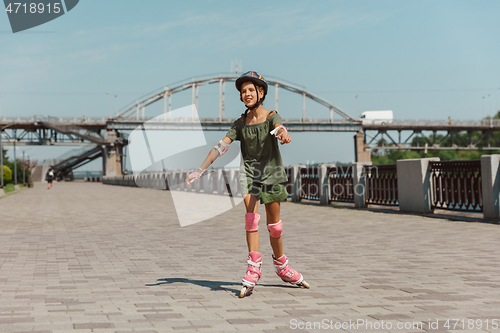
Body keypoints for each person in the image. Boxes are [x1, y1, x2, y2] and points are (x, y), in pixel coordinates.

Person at [186, 71, 309, 297]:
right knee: (251, 219)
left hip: (271, 172)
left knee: (275, 227)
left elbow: (280, 126)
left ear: (261, 92)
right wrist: (199, 170)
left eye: (251, 90)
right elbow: (220, 147)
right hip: (250, 174)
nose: (247, 94)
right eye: (243, 91)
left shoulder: (271, 116)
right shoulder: (240, 123)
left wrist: (283, 133)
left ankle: (282, 266)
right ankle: (254, 268)